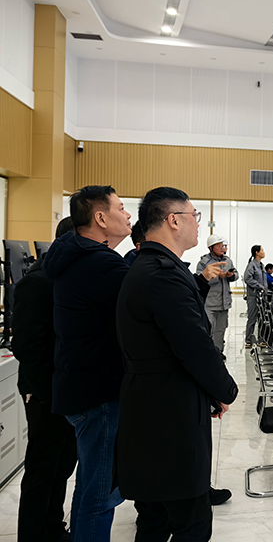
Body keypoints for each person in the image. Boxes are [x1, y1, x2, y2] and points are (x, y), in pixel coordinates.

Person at [116, 186, 238, 542]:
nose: (198, 224)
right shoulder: (162, 274)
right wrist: (225, 390)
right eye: (193, 216)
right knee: (191, 522)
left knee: (155, 519)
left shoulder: (151, 266)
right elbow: (195, 347)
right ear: (173, 220)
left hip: (153, 407)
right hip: (168, 414)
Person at [45, 185, 132, 542]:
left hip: (79, 388)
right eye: (121, 208)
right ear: (100, 218)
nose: (128, 215)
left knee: (89, 487)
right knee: (100, 495)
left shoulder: (75, 256)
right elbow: (144, 306)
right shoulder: (100, 263)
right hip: (98, 394)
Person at [14, 217, 77, 542]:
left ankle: (53, 528)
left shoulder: (66, 277)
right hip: (45, 393)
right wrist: (47, 394)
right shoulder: (38, 282)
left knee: (62, 465)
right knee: (42, 470)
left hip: (66, 391)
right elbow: (27, 346)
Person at [196, 235, 238, 358]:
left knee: (221, 329)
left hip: (224, 302)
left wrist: (231, 275)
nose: (223, 248)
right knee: (209, 329)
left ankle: (218, 352)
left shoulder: (228, 260)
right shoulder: (204, 263)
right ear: (211, 247)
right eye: (219, 246)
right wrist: (218, 277)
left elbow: (236, 273)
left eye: (223, 245)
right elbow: (200, 281)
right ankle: (208, 353)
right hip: (210, 303)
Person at [243, 245, 267, 347]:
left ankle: (261, 339)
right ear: (257, 252)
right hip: (254, 295)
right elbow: (247, 278)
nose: (264, 252)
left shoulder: (261, 265)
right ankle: (248, 340)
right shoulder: (252, 265)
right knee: (252, 318)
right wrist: (259, 286)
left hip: (262, 296)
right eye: (262, 250)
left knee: (262, 318)